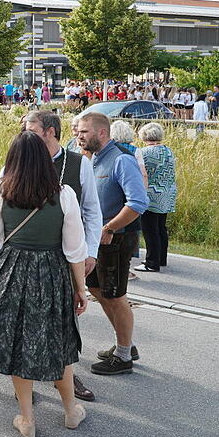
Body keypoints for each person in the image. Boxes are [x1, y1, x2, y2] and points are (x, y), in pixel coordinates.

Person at [0, 131, 89, 437]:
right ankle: (71, 411)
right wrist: (81, 289)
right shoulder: (64, 194)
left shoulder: (2, 191)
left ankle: (27, 418)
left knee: (19, 346)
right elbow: (75, 249)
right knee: (57, 342)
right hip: (51, 273)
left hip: (11, 271)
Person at [22, 110, 102, 402]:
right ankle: (26, 377)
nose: (25, 135)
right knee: (28, 315)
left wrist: (90, 251)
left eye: (31, 130)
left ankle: (65, 373)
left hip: (66, 253)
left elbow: (91, 210)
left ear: (50, 131)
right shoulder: (20, 160)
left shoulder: (79, 164)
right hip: (28, 252)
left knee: (66, 317)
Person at [76, 112, 148, 376]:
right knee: (97, 289)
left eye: (84, 132)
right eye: (78, 132)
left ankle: (124, 356)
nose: (78, 136)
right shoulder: (92, 159)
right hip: (97, 238)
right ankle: (124, 342)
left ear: (102, 133)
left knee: (116, 296)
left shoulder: (121, 160)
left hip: (116, 237)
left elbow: (138, 202)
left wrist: (110, 227)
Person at [134, 123, 177, 273]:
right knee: (161, 227)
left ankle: (152, 262)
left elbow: (141, 173)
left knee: (149, 229)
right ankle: (161, 258)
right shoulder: (168, 150)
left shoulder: (144, 152)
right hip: (167, 192)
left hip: (152, 193)